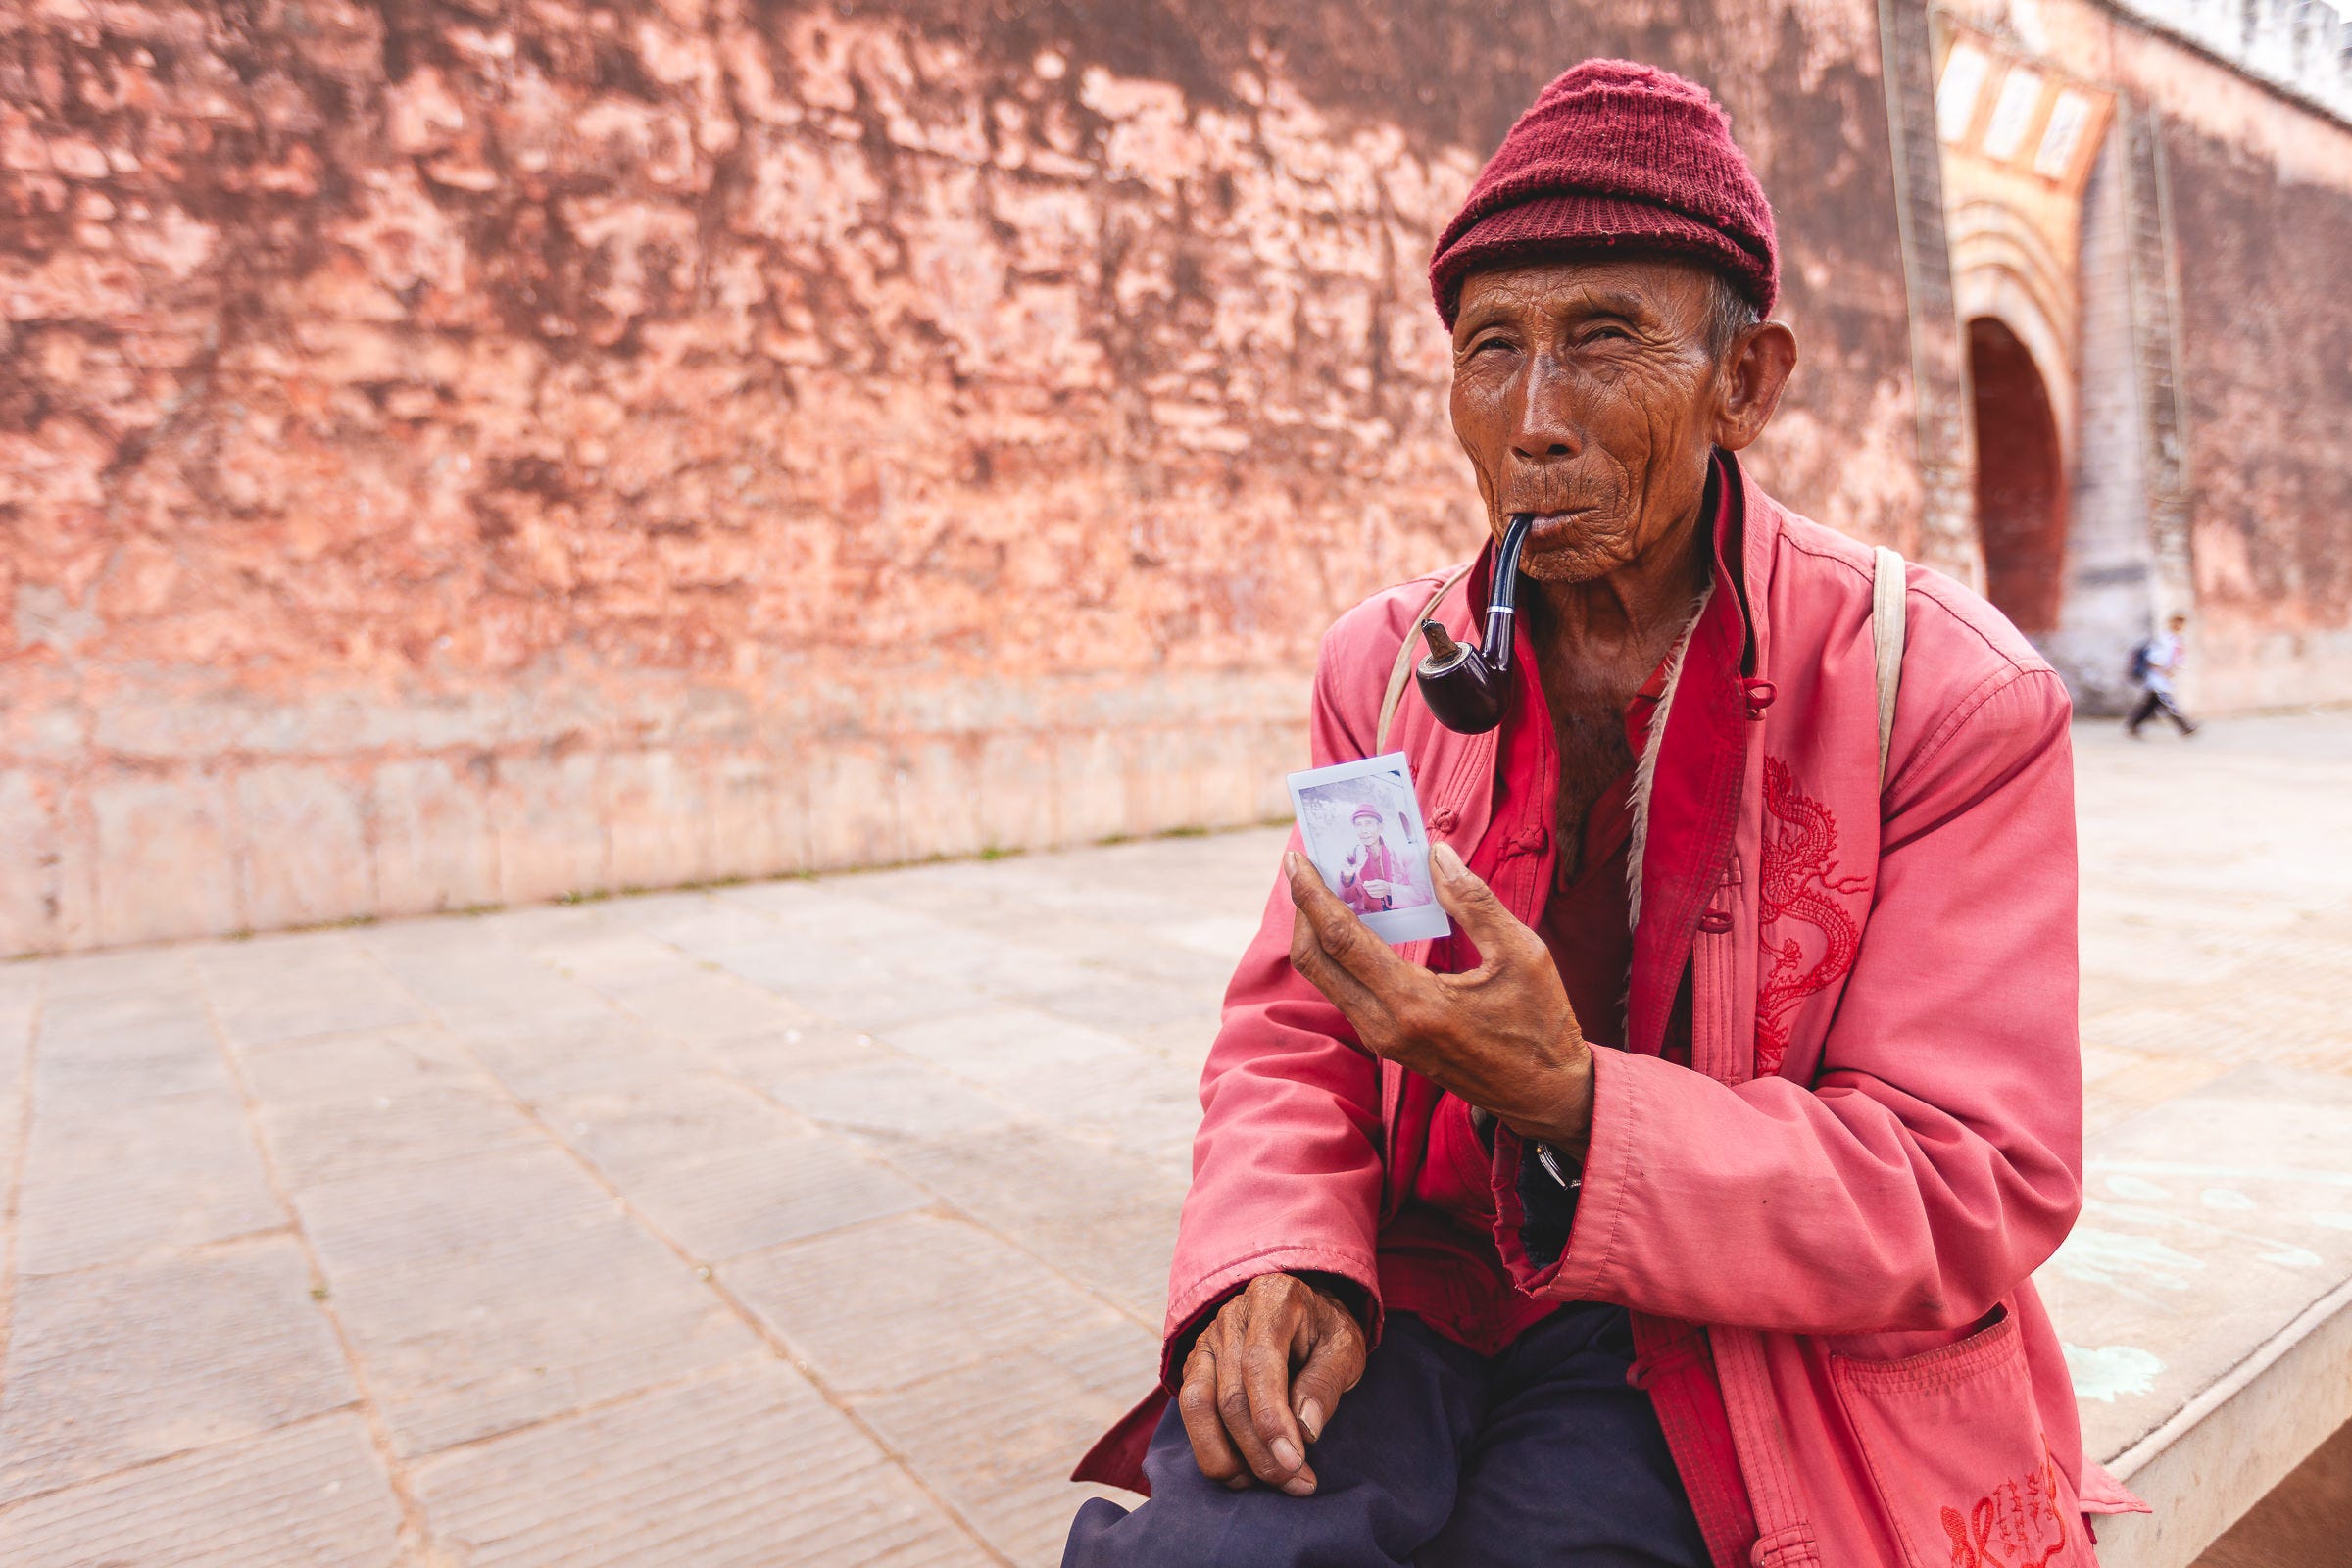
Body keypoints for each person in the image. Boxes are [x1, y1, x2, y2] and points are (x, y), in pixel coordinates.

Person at [1063, 59, 2143, 1568]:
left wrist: (1575, 1101)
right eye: (1491, 349)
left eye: (1602, 343)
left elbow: (1972, 1178)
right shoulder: (1390, 669)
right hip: (1422, 1275)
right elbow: (1295, 1030)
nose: (1533, 421)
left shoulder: (1942, 695)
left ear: (1747, 385)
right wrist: (1278, 1251)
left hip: (1712, 1326)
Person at [1337, 802, 1429, 912]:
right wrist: (1347, 879)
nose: (1363, 830)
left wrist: (1390, 890)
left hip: (1403, 917)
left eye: (1368, 823)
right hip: (1369, 922)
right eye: (1358, 825)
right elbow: (1346, 899)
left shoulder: (1404, 852)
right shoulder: (1353, 856)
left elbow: (1425, 894)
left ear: (1380, 827)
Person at [2127, 612, 2199, 738]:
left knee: (2150, 705)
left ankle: (2133, 724)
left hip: (2164, 679)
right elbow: (2152, 660)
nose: (2178, 626)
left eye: (2181, 624)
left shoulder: (2176, 640)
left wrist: (2173, 670)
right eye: (2176, 623)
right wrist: (2164, 672)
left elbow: (2178, 659)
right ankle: (2185, 727)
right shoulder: (2163, 640)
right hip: (2157, 678)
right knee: (2167, 703)